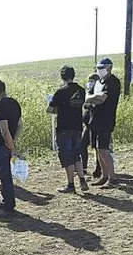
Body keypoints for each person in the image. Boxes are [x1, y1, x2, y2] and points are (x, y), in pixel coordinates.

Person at [48, 66, 89, 193]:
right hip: (77, 126)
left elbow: (50, 109)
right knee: (76, 154)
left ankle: (71, 184)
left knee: (67, 156)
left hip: (64, 127)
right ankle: (82, 179)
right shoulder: (81, 90)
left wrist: (57, 109)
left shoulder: (60, 92)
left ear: (62, 77)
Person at [86, 58, 121, 188]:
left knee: (104, 149)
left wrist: (92, 98)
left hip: (106, 120)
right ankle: (104, 175)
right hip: (94, 119)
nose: (99, 70)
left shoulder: (113, 82)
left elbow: (101, 99)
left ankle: (112, 178)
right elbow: (88, 97)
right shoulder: (98, 82)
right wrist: (92, 98)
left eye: (102, 68)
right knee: (97, 149)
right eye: (98, 68)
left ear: (109, 67)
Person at [0, 80, 22, 212]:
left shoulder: (2, 105)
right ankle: (7, 201)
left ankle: (8, 204)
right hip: (8, 143)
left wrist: (11, 146)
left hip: (0, 145)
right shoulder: (14, 102)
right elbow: (20, 124)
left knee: (4, 176)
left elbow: (4, 129)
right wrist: (13, 141)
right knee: (6, 176)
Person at [81, 74, 101, 177]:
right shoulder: (88, 93)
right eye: (89, 80)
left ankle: (99, 168)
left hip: (95, 124)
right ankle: (83, 167)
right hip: (87, 124)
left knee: (97, 147)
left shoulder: (98, 93)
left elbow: (89, 104)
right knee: (82, 145)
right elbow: (85, 104)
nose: (90, 83)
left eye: (92, 81)